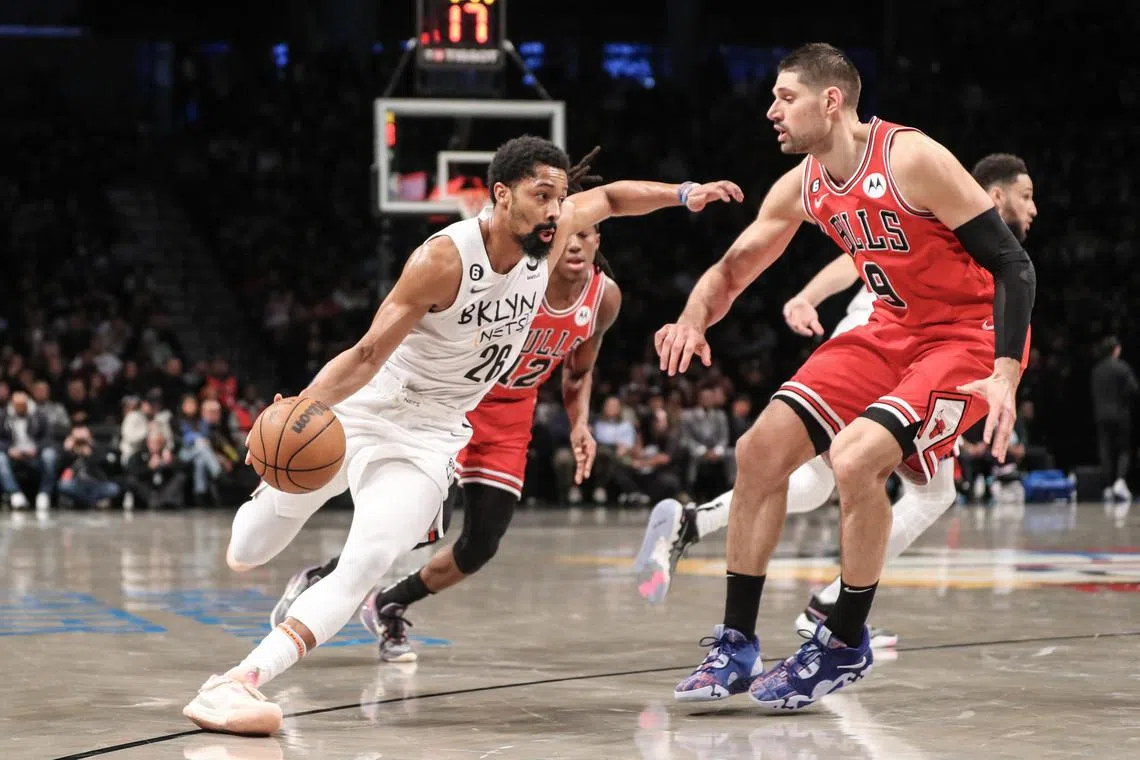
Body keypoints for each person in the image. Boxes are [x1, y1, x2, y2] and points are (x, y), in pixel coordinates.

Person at [182, 135, 742, 735]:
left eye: (560, 199)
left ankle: (238, 682)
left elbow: (611, 198)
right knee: (249, 549)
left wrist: (685, 193)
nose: (557, 211)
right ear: (501, 195)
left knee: (369, 559)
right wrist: (302, 408)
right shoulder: (443, 260)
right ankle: (267, 508)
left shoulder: (555, 241)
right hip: (369, 409)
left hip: (432, 436)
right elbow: (367, 353)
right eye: (542, 196)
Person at [656, 44, 1035, 710]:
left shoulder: (911, 158)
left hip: (966, 336)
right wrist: (693, 319)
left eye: (785, 97)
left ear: (831, 101)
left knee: (856, 457)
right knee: (759, 451)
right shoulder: (803, 184)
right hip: (891, 328)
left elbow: (1014, 265)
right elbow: (734, 268)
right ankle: (736, 643)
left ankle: (842, 641)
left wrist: (1005, 373)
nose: (771, 111)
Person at [1091, 336, 1138, 502]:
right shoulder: (1122, 368)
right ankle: (1120, 480)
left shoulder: (1096, 370)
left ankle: (1109, 485)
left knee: (1105, 449)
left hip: (1101, 416)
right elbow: (1134, 390)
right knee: (1124, 449)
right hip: (1120, 414)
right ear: (1116, 349)